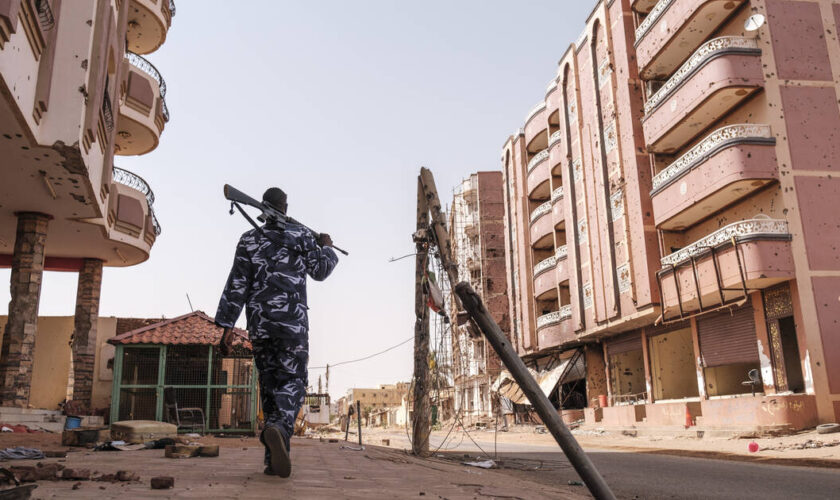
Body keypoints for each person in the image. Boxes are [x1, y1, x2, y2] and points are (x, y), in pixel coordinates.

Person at [214, 187, 339, 477]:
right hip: (291, 326)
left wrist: (226, 329)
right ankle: (279, 430)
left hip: (260, 327)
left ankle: (273, 461)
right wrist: (327, 246)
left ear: (263, 209)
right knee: (293, 383)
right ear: (285, 207)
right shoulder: (300, 236)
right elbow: (320, 270)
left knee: (270, 390)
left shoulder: (249, 240)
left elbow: (236, 286)